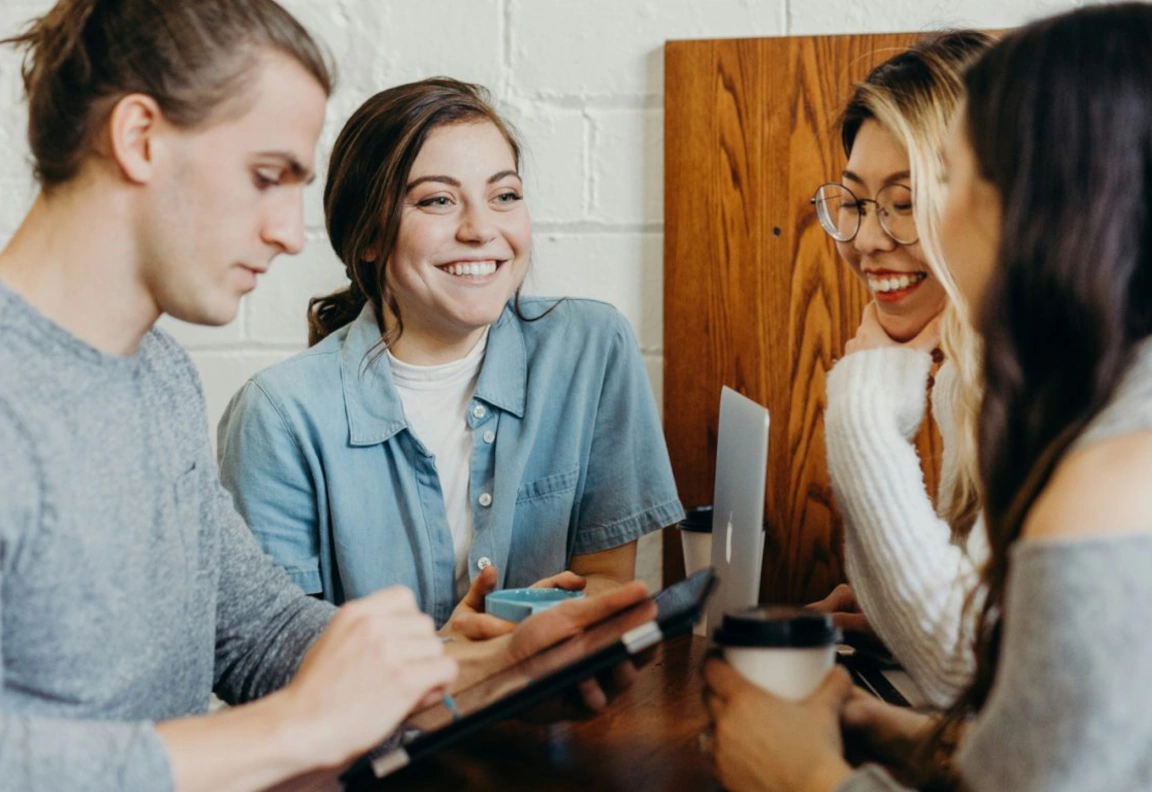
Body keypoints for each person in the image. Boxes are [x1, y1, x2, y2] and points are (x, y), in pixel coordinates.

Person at [0, 3, 650, 790]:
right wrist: (292, 729)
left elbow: (260, 636)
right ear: (139, 138)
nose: (288, 233)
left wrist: (479, 676)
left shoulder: (157, 378)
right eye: (266, 177)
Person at [705, 4, 1152, 790]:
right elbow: (1049, 751)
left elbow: (964, 670)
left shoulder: (1111, 473)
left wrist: (807, 778)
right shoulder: (1093, 400)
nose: (873, 236)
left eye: (947, 182)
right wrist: (898, 735)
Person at [216, 77, 683, 636]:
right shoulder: (278, 415)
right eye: (437, 200)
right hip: (381, 724)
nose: (481, 229)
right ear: (367, 236)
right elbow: (277, 656)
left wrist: (539, 628)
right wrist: (454, 658)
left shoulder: (591, 348)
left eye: (504, 195)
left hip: (552, 713)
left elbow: (607, 578)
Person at [808, 31, 993, 707]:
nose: (866, 239)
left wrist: (861, 409)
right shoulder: (966, 374)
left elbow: (964, 670)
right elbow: (978, 641)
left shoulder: (1047, 383)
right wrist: (891, 614)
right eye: (853, 203)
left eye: (906, 202)